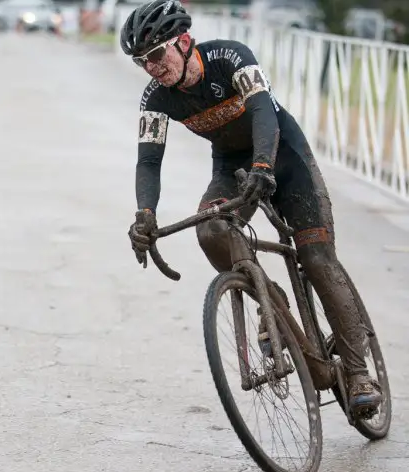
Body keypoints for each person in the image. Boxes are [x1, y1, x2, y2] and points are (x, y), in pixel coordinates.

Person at [121, 0, 382, 416]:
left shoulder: (230, 57)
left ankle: (357, 372)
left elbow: (262, 109)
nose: (151, 67)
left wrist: (264, 164)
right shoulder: (156, 97)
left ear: (184, 42)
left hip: (284, 154)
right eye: (141, 62)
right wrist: (145, 215)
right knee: (211, 229)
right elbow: (149, 160)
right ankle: (270, 302)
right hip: (232, 166)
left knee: (316, 257)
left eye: (155, 54)